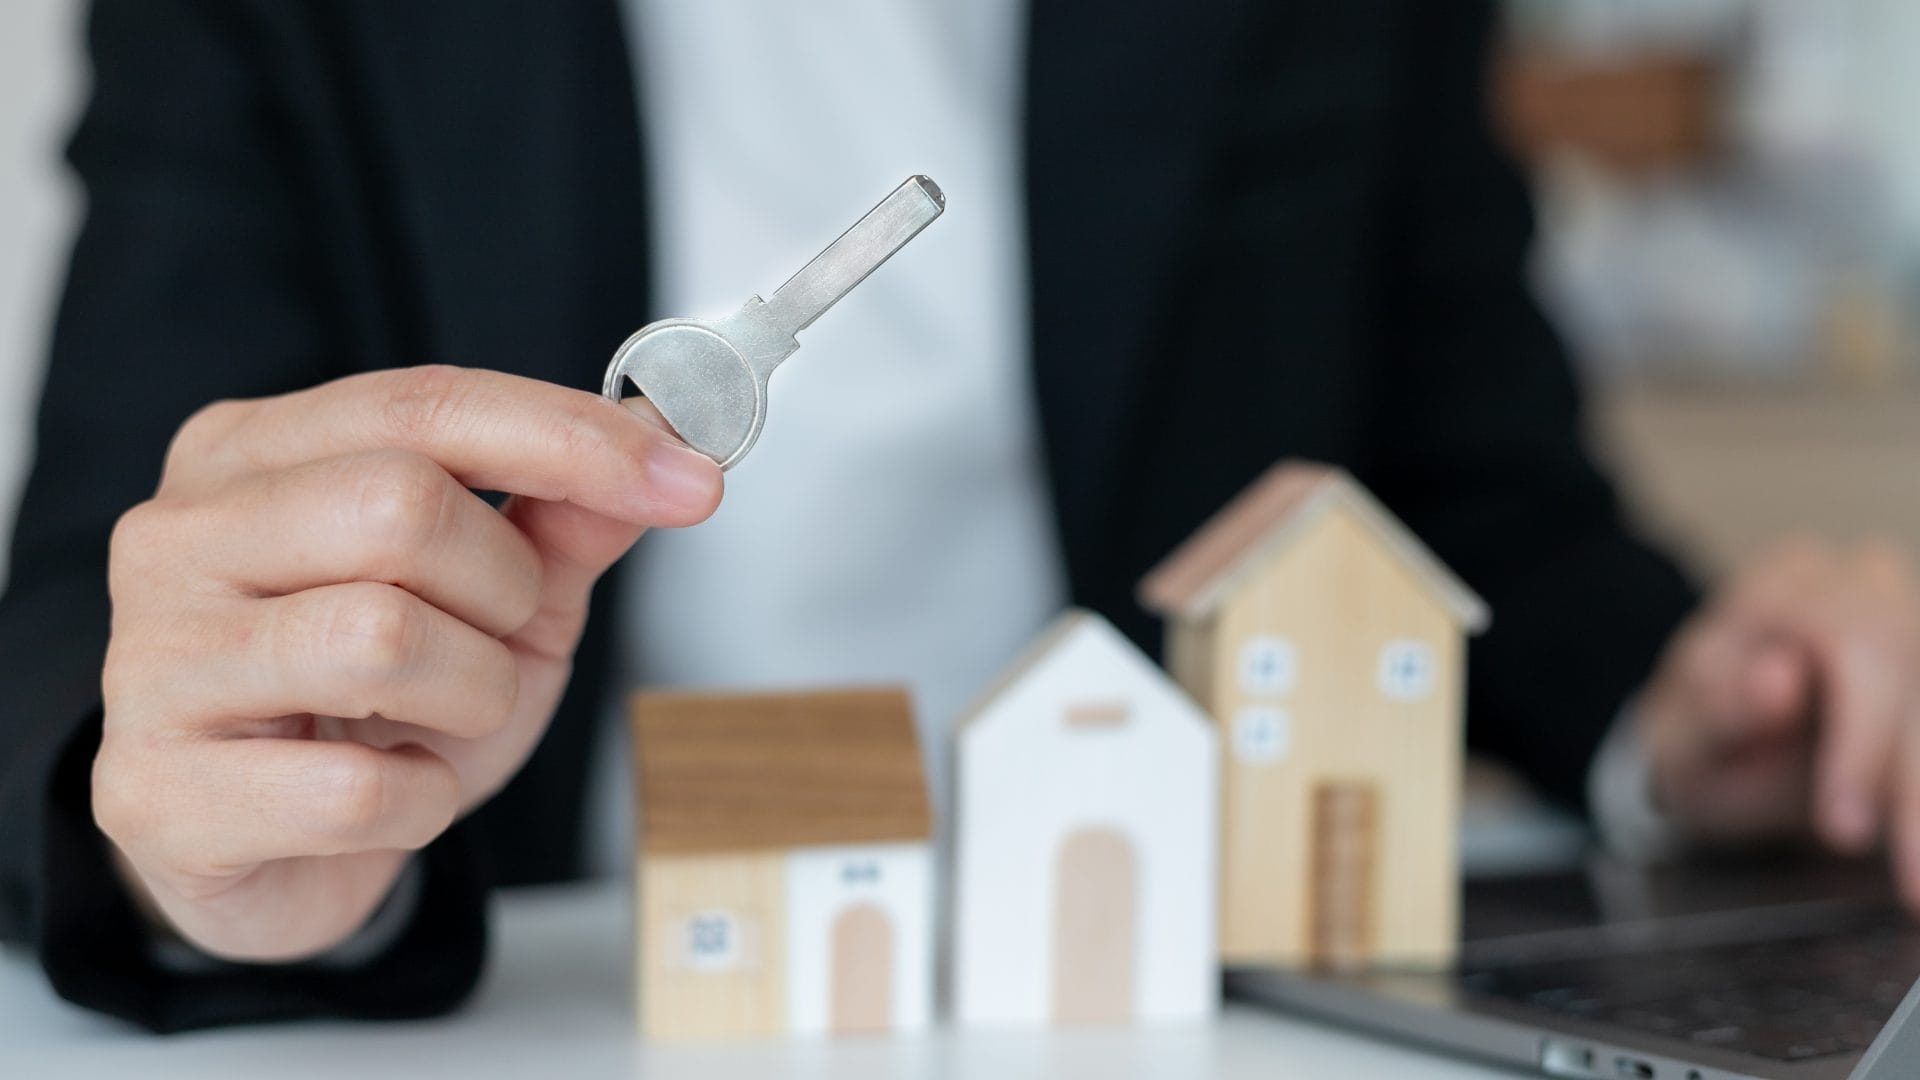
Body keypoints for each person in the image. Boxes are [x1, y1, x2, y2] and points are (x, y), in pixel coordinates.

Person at [2, 0, 1917, 1034]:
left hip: (1195, 1008)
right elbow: (102, 607)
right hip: (554, 996)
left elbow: (1488, 501)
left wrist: (1680, 729)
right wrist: (218, 843)